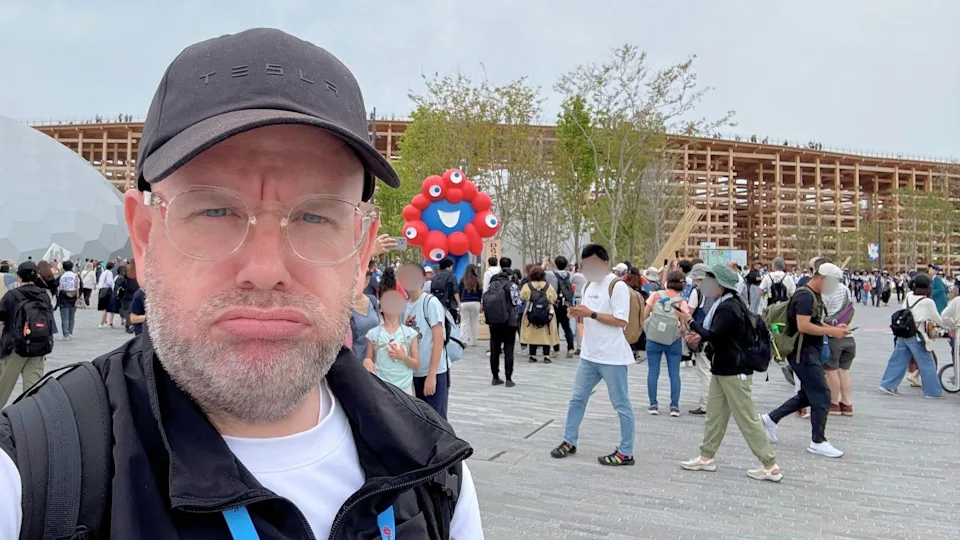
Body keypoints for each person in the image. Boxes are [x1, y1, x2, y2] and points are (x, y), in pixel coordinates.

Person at [0, 29, 481, 539]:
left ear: (361, 252)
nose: (265, 268)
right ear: (144, 238)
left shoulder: (434, 473)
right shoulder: (29, 479)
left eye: (315, 217)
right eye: (215, 210)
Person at [677, 265, 782, 482]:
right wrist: (701, 334)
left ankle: (770, 464)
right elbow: (721, 335)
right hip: (723, 368)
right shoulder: (728, 303)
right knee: (715, 416)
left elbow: (715, 335)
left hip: (735, 370)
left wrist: (688, 319)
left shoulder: (728, 307)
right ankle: (706, 456)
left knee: (747, 419)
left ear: (721, 285)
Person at [551, 244, 635, 467]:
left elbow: (621, 321)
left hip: (612, 357)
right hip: (589, 355)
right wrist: (578, 313)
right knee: (577, 399)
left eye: (593, 264)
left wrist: (591, 313)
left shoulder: (617, 286)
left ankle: (626, 451)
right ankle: (569, 441)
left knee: (621, 404)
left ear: (605, 262)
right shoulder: (588, 285)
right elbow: (588, 313)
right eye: (586, 264)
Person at [760, 262, 851, 459]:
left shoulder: (814, 295)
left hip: (810, 351)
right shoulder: (804, 296)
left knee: (809, 394)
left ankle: (771, 419)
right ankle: (818, 441)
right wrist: (831, 331)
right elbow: (803, 326)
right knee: (822, 395)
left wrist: (834, 328)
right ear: (823, 278)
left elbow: (815, 321)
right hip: (802, 353)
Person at [399, 263, 452, 419]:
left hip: (434, 371)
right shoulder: (404, 307)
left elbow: (438, 339)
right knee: (423, 420)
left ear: (423, 279)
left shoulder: (430, 302)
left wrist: (432, 375)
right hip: (416, 372)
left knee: (437, 420)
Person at [879, 274, 944, 398]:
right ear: (927, 287)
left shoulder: (909, 296)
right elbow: (937, 319)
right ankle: (932, 391)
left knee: (897, 360)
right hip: (917, 335)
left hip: (903, 332)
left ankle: (888, 384)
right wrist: (948, 325)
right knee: (927, 363)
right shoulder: (928, 302)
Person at [0, 262, 54, 406]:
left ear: (18, 277)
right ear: (36, 276)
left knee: (3, 387)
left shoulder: (12, 295)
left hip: (14, 347)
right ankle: (30, 417)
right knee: (33, 391)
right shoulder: (44, 295)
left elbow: (1, 319)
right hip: (38, 346)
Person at [644, 270, 689, 417]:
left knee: (653, 371)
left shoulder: (655, 295)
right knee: (674, 374)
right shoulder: (681, 302)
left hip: (654, 338)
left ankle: (653, 404)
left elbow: (645, 314)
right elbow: (684, 326)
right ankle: (674, 406)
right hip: (673, 341)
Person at [363, 282, 419, 396]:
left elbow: (416, 364)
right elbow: (369, 358)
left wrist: (403, 357)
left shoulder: (410, 334)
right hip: (382, 388)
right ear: (381, 309)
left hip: (405, 389)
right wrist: (367, 361)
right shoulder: (373, 334)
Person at [823, 277, 857, 416]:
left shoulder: (825, 291)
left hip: (833, 336)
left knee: (832, 371)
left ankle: (834, 403)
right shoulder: (845, 289)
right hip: (848, 335)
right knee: (844, 371)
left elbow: (821, 316)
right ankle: (847, 403)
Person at [485, 258, 521, 386]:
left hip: (494, 321)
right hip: (509, 322)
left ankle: (495, 377)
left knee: (494, 349)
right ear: (509, 276)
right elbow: (517, 302)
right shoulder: (512, 286)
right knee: (508, 349)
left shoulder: (492, 285)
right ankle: (509, 379)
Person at [685, 263, 714, 415]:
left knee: (704, 370)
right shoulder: (718, 290)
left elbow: (688, 313)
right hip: (718, 334)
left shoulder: (697, 292)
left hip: (701, 335)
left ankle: (706, 404)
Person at [520, 265, 559, 364]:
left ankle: (532, 356)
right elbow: (554, 297)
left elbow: (522, 297)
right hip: (547, 312)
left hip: (531, 312)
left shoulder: (527, 286)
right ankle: (546, 356)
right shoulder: (548, 286)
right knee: (546, 333)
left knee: (532, 333)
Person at [546, 256, 577, 359]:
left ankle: (556, 350)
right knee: (567, 327)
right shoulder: (570, 275)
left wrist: (546, 262)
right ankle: (571, 348)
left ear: (555, 264)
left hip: (555, 303)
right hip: (566, 304)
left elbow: (540, 271)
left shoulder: (551, 275)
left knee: (555, 327)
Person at [349, 277, 380, 361]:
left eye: (367, 277)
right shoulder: (345, 306)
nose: (366, 280)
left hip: (375, 360)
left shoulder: (373, 300)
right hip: (356, 361)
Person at [431, 257, 461, 323]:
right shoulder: (452, 276)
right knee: (451, 324)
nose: (452, 267)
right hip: (450, 305)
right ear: (448, 266)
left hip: (437, 304)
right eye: (451, 266)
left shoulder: (434, 277)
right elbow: (455, 291)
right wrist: (459, 303)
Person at [459, 264, 483, 347]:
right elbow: (480, 292)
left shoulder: (463, 280)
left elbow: (459, 291)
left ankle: (463, 340)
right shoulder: (477, 280)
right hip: (475, 303)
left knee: (464, 322)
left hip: (464, 302)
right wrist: (481, 303)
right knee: (474, 322)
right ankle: (474, 341)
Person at [56, 260, 80, 340]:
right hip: (74, 297)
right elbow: (79, 287)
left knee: (64, 317)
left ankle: (65, 334)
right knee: (72, 316)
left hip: (63, 297)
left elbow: (58, 286)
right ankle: (70, 331)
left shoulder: (61, 276)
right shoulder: (76, 276)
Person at [118, 259, 141, 333]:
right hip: (135, 291)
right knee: (132, 309)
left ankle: (129, 324)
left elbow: (122, 280)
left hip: (127, 293)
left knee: (126, 310)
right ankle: (131, 324)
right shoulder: (138, 271)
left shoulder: (126, 271)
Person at [96, 260, 116, 328]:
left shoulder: (104, 272)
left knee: (104, 307)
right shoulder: (109, 273)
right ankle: (101, 322)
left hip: (102, 290)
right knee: (106, 307)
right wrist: (113, 287)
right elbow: (109, 282)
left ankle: (104, 321)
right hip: (107, 290)